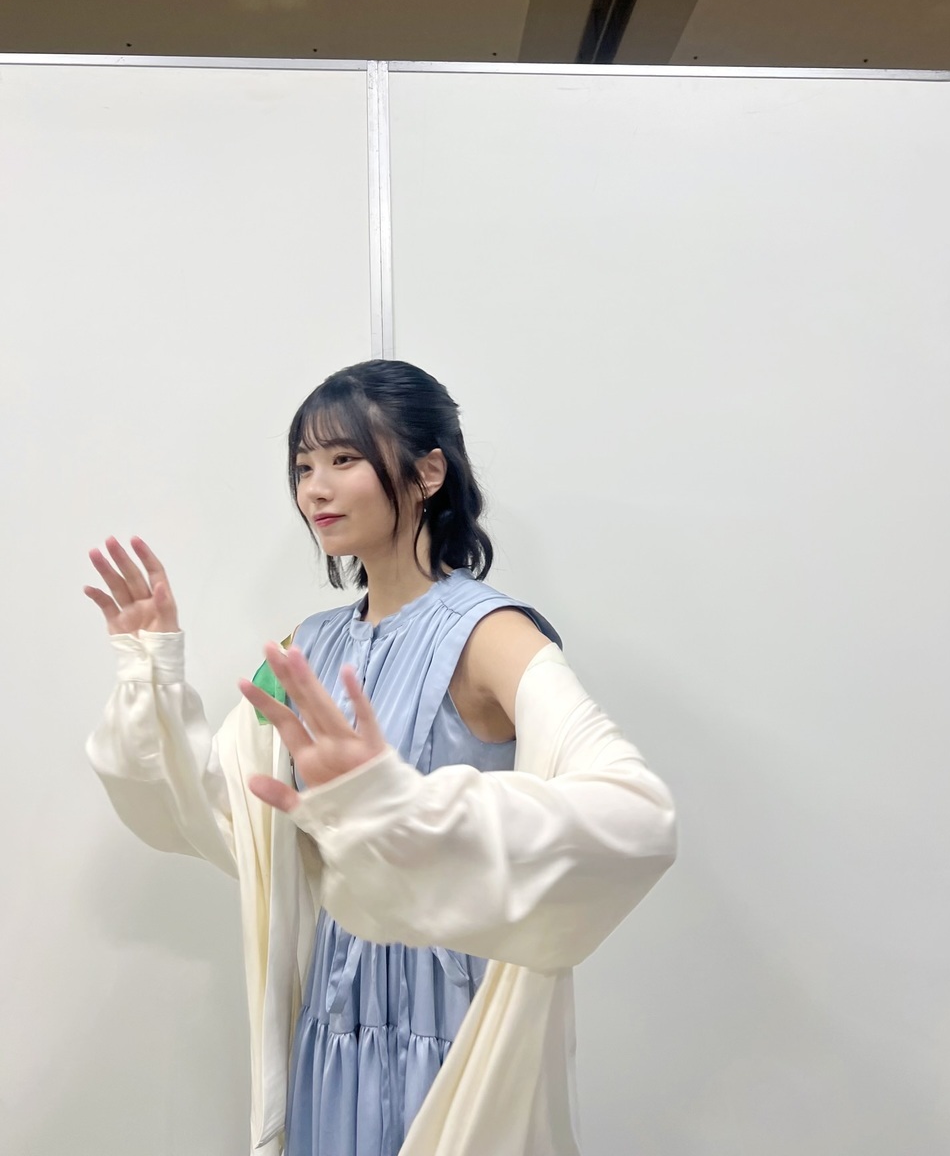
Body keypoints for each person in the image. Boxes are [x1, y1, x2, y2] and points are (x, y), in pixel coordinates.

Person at [85, 358, 678, 1156]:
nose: (315, 489)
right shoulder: (306, 648)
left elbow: (635, 814)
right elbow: (229, 809)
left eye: (344, 459)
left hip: (451, 1044)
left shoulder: (491, 634)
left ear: (429, 472)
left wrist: (401, 808)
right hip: (329, 1037)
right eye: (303, 466)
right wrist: (150, 670)